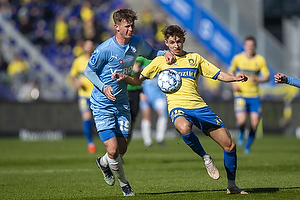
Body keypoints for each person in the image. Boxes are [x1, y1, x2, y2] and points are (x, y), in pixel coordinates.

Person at [112, 25, 248, 195]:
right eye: (172, 42)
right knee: (184, 128)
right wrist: (125, 78)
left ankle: (232, 186)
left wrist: (234, 78)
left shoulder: (195, 58)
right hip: (178, 108)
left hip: (200, 107)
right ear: (166, 43)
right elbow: (138, 80)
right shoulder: (161, 61)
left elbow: (218, 73)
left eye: (178, 41)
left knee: (229, 146)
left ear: (183, 41)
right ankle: (206, 157)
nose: (176, 45)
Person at [84, 8, 175, 196]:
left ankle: (103, 163)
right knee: (113, 148)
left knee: (121, 149)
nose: (131, 29)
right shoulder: (105, 49)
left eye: (132, 25)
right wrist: (104, 87)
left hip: (122, 103)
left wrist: (165, 53)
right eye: (127, 26)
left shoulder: (137, 43)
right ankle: (125, 185)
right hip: (102, 104)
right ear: (116, 27)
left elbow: (152, 54)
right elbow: (89, 71)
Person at [228, 36, 270, 154]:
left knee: (255, 124)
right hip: (240, 94)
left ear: (255, 47)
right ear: (244, 46)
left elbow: (267, 77)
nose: (250, 48)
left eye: (252, 45)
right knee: (241, 121)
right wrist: (233, 82)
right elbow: (230, 70)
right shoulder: (238, 58)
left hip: (255, 96)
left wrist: (257, 80)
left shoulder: (260, 60)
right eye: (248, 45)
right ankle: (241, 132)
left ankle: (247, 147)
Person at [69, 40, 96, 154]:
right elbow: (73, 75)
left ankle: (93, 132)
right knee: (86, 118)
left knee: (96, 120)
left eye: (91, 45)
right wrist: (77, 82)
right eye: (87, 45)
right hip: (83, 95)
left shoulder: (97, 60)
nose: (89, 47)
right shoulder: (78, 61)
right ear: (84, 47)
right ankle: (90, 143)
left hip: (96, 94)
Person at [135, 56, 168, 147]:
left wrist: (165, 95)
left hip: (158, 96)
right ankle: (147, 141)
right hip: (145, 96)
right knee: (146, 117)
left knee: (163, 114)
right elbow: (137, 77)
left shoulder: (160, 66)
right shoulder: (142, 64)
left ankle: (160, 138)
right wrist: (141, 93)